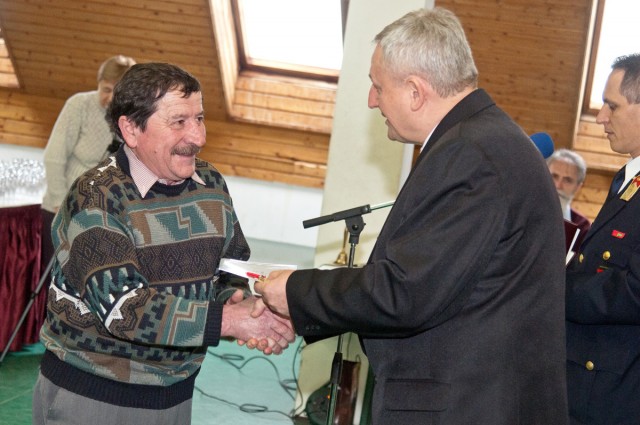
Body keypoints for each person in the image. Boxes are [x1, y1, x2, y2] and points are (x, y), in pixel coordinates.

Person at [255, 7, 568, 425]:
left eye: (377, 86)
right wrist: (303, 308)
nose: (372, 100)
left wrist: (296, 291)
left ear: (416, 92)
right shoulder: (482, 140)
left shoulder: (470, 154)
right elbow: (435, 281)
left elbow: (406, 292)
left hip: (465, 406)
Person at [32, 62, 295, 425]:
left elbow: (225, 271)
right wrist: (231, 321)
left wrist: (245, 305)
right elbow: (125, 310)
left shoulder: (211, 185)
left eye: (199, 118)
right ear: (131, 129)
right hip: (93, 398)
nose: (198, 137)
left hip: (176, 396)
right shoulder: (96, 196)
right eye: (179, 122)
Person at [565, 53, 640, 424]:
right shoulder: (629, 179)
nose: (600, 118)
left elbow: (634, 291)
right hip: (589, 386)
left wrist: (554, 287)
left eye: (612, 106)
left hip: (616, 395)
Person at [41, 55, 136, 276]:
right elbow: (54, 158)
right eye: (106, 90)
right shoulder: (79, 105)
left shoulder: (133, 119)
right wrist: (60, 205)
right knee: (57, 282)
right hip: (62, 210)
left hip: (102, 219)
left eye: (118, 93)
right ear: (98, 82)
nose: (110, 98)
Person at [547, 148, 591, 250]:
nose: (558, 185)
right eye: (554, 176)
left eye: (567, 180)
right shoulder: (524, 213)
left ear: (578, 187)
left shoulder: (582, 227)